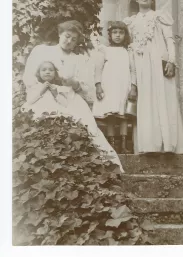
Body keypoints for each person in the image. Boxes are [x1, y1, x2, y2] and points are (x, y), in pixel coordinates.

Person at [22, 20, 124, 172]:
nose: (69, 41)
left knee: (87, 124)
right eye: (67, 36)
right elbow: (29, 77)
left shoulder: (79, 59)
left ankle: (100, 166)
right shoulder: (43, 51)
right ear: (59, 34)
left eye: (74, 39)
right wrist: (45, 86)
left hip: (70, 96)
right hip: (45, 93)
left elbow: (85, 88)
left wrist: (72, 82)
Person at [123, 0, 183, 155]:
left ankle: (168, 144)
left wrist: (171, 61)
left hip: (159, 62)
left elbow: (170, 40)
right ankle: (149, 144)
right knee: (146, 101)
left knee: (164, 98)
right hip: (141, 65)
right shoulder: (131, 22)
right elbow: (129, 47)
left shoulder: (160, 16)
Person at [92, 21, 137, 153]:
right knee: (111, 115)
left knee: (123, 115)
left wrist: (133, 87)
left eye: (121, 33)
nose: (118, 35)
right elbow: (98, 69)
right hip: (109, 85)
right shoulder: (104, 50)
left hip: (124, 85)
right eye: (115, 32)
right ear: (110, 35)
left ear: (125, 35)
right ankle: (112, 143)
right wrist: (98, 85)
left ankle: (123, 144)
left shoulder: (128, 51)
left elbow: (133, 70)